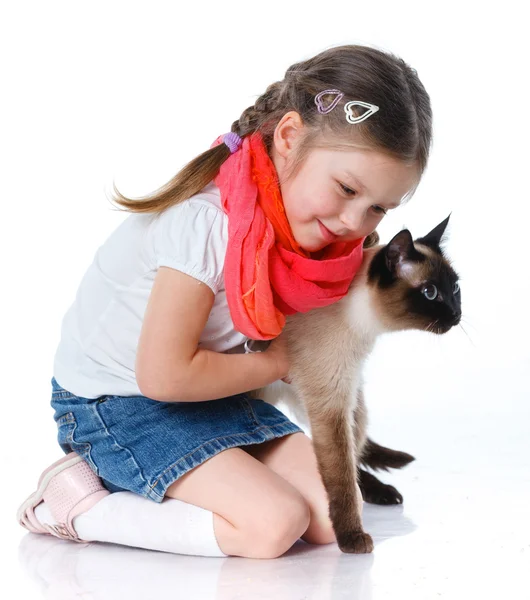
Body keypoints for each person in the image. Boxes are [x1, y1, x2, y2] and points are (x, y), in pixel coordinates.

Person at [17, 44, 431, 559]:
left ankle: (198, 480)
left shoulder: (309, 236)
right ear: (287, 138)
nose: (354, 222)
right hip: (117, 405)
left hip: (206, 399)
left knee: (330, 516)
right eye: (346, 188)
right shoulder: (207, 225)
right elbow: (163, 377)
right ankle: (78, 507)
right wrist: (280, 362)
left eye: (377, 209)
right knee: (272, 527)